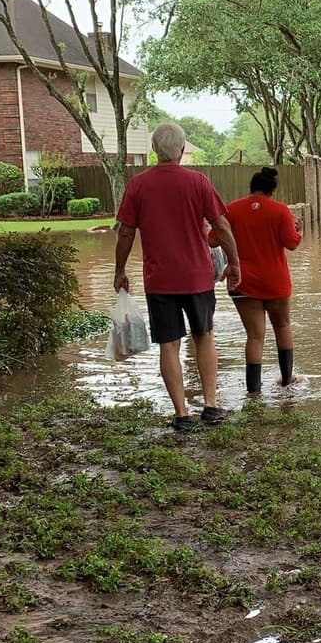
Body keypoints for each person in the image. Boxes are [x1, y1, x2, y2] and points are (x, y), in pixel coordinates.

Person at [114, 123, 241, 430]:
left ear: (154, 150)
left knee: (168, 345)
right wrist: (235, 263)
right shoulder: (198, 182)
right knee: (204, 336)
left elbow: (126, 232)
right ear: (182, 150)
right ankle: (210, 406)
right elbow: (221, 226)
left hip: (159, 280)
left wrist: (119, 270)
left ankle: (182, 414)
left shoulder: (138, 185)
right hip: (197, 277)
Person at [221, 167, 304, 395]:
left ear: (251, 187)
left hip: (242, 281)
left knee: (254, 336)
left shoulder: (231, 209)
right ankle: (287, 379)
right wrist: (300, 231)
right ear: (272, 190)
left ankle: (253, 390)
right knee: (282, 326)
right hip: (275, 281)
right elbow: (291, 243)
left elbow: (212, 239)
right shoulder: (280, 210)